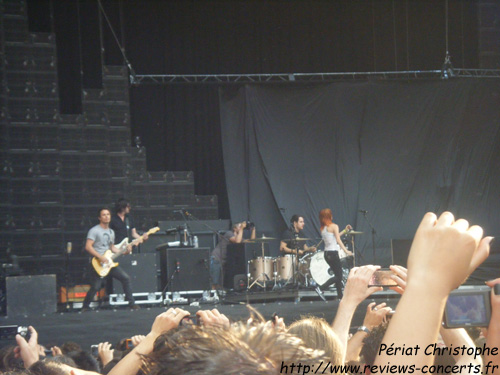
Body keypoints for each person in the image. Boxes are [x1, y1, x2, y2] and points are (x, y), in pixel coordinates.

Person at [81, 208, 140, 311]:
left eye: (108, 214)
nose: (106, 216)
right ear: (99, 218)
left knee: (125, 278)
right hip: (97, 263)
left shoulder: (111, 232)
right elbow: (88, 247)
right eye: (104, 215)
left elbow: (112, 248)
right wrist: (100, 257)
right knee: (96, 286)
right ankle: (85, 306)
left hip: (109, 262)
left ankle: (132, 303)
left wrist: (124, 251)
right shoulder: (94, 231)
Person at [210, 221, 256, 290]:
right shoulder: (229, 233)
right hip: (216, 258)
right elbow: (237, 241)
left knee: (221, 283)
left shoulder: (239, 237)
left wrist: (253, 230)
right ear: (234, 228)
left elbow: (252, 242)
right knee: (215, 282)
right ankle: (211, 297)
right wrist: (242, 229)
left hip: (223, 261)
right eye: (239, 226)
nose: (241, 228)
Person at [319, 208, 353, 297]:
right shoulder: (334, 226)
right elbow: (338, 239)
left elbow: (334, 236)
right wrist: (346, 251)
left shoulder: (323, 228)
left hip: (326, 254)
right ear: (329, 216)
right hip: (333, 253)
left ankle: (340, 295)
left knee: (337, 274)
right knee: (339, 276)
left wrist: (345, 230)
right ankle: (320, 288)